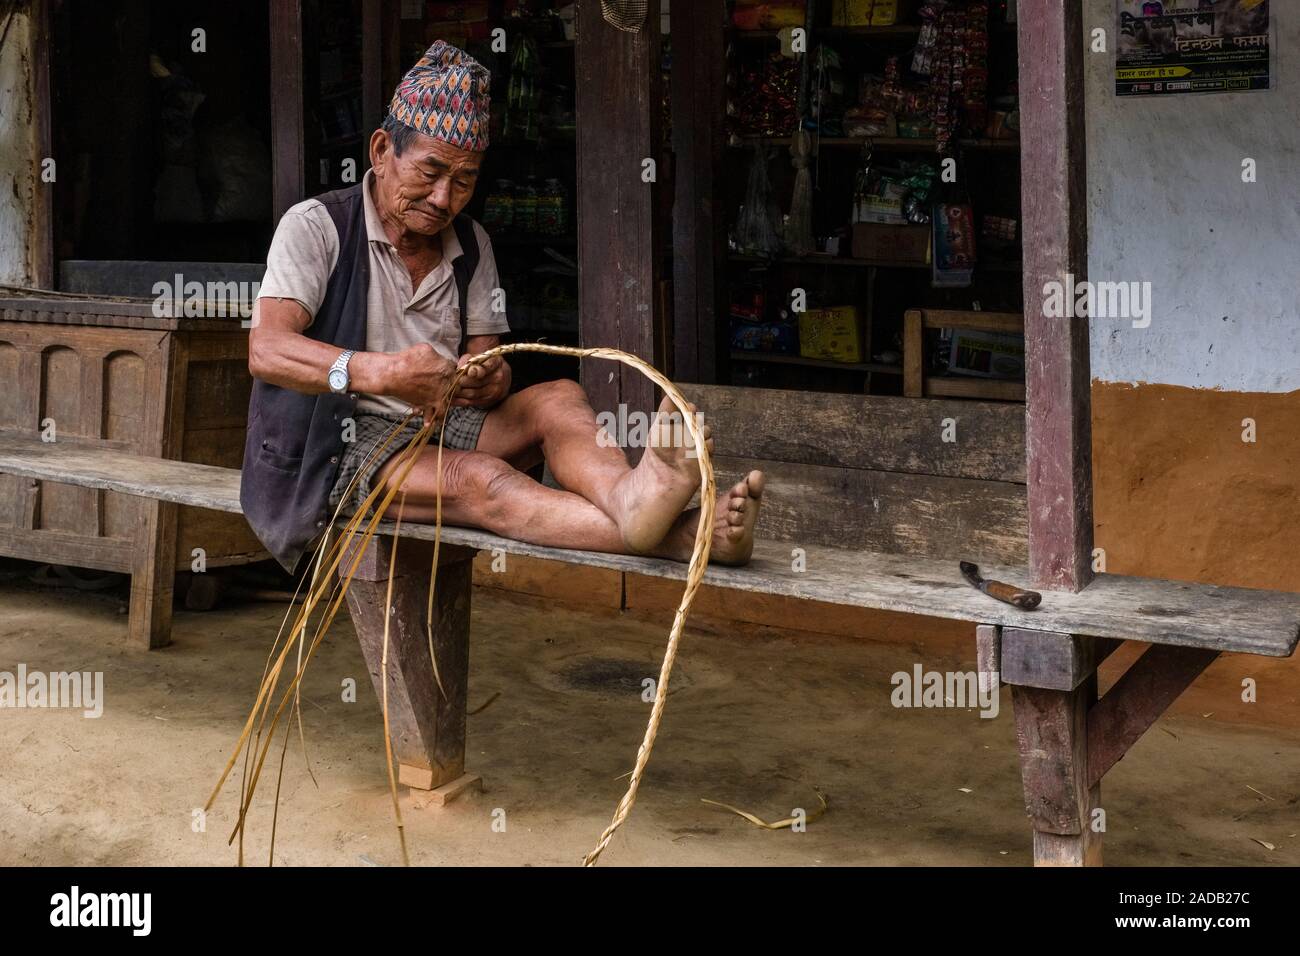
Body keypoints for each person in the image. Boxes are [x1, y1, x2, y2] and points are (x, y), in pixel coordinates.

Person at [242, 40, 763, 574]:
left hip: (439, 425)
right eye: (430, 171)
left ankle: (633, 497)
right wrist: (385, 372)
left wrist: (488, 379)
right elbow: (268, 351)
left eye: (463, 180)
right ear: (381, 151)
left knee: (558, 397)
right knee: (481, 483)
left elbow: (488, 362)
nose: (444, 198)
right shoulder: (316, 226)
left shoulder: (471, 241)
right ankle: (684, 536)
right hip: (338, 443)